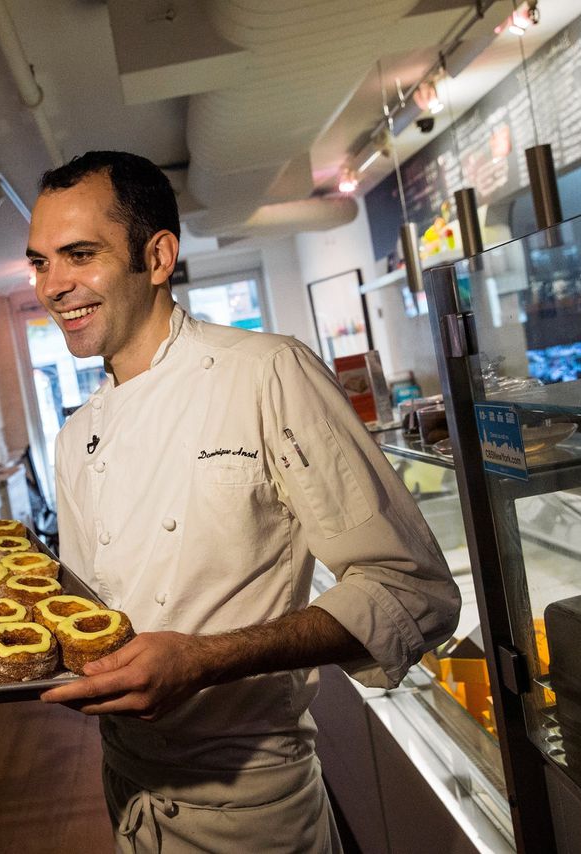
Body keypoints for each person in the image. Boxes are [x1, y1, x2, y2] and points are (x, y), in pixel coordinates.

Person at [29, 151, 461, 853]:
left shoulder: (268, 373)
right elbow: (90, 616)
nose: (54, 285)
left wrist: (201, 660)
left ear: (159, 255)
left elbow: (412, 589)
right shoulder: (78, 435)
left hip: (255, 812)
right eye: (41, 262)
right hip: (129, 798)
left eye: (79, 254)